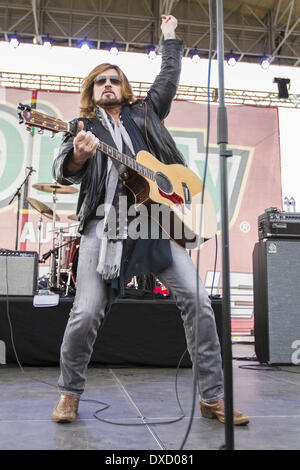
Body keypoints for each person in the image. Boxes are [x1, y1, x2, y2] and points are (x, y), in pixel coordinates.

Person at [51, 14, 249, 426]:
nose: (107, 84)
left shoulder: (147, 113)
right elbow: (62, 169)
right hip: (104, 227)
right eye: (99, 81)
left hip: (157, 224)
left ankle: (212, 397)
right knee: (86, 313)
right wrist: (80, 155)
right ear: (91, 92)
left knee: (198, 301)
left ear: (124, 88)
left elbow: (168, 77)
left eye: (114, 79)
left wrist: (171, 37)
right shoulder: (82, 128)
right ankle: (69, 393)